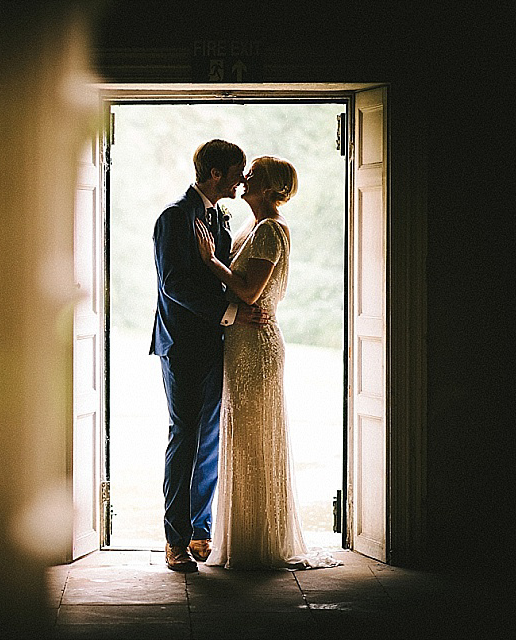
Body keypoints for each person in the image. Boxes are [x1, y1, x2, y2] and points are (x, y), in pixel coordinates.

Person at [194, 155, 340, 570]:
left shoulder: (271, 231)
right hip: (239, 338)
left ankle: (262, 543)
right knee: (240, 438)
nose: (243, 178)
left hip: (257, 345)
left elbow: (250, 292)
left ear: (271, 187)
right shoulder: (248, 228)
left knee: (256, 438)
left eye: (252, 174)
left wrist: (210, 262)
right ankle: (243, 537)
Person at [150, 140, 271, 572]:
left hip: (217, 343)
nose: (242, 179)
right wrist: (232, 315)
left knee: (208, 440)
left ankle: (201, 529)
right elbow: (175, 286)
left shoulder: (220, 217)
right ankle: (175, 540)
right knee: (185, 437)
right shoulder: (175, 217)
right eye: (238, 171)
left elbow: (227, 276)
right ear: (216, 173)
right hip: (182, 345)